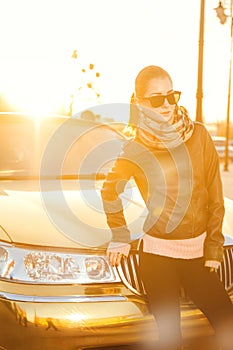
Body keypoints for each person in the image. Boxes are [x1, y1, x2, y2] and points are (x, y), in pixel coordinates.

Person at [101, 65, 233, 350]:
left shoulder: (199, 135)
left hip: (198, 257)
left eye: (171, 96)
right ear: (140, 103)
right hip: (157, 259)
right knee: (171, 340)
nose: (166, 105)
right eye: (156, 99)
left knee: (228, 323)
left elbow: (214, 195)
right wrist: (120, 236)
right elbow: (110, 190)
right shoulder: (135, 148)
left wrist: (213, 247)